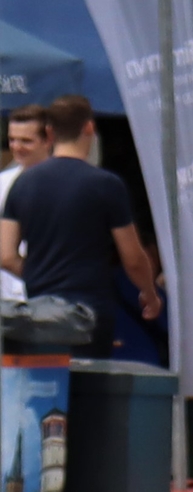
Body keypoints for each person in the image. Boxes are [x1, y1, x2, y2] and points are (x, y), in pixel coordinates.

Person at [0, 95, 160, 359]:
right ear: (89, 128)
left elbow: (6, 256)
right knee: (88, 393)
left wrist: (41, 274)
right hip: (90, 312)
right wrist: (149, 293)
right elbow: (132, 258)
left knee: (44, 391)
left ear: (50, 132)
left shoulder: (23, 184)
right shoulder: (106, 185)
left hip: (38, 313)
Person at [0, 103, 52, 301]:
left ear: (48, 139)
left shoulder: (66, 183)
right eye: (12, 140)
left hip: (54, 298)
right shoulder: (2, 183)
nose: (16, 147)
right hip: (8, 300)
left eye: (26, 141)